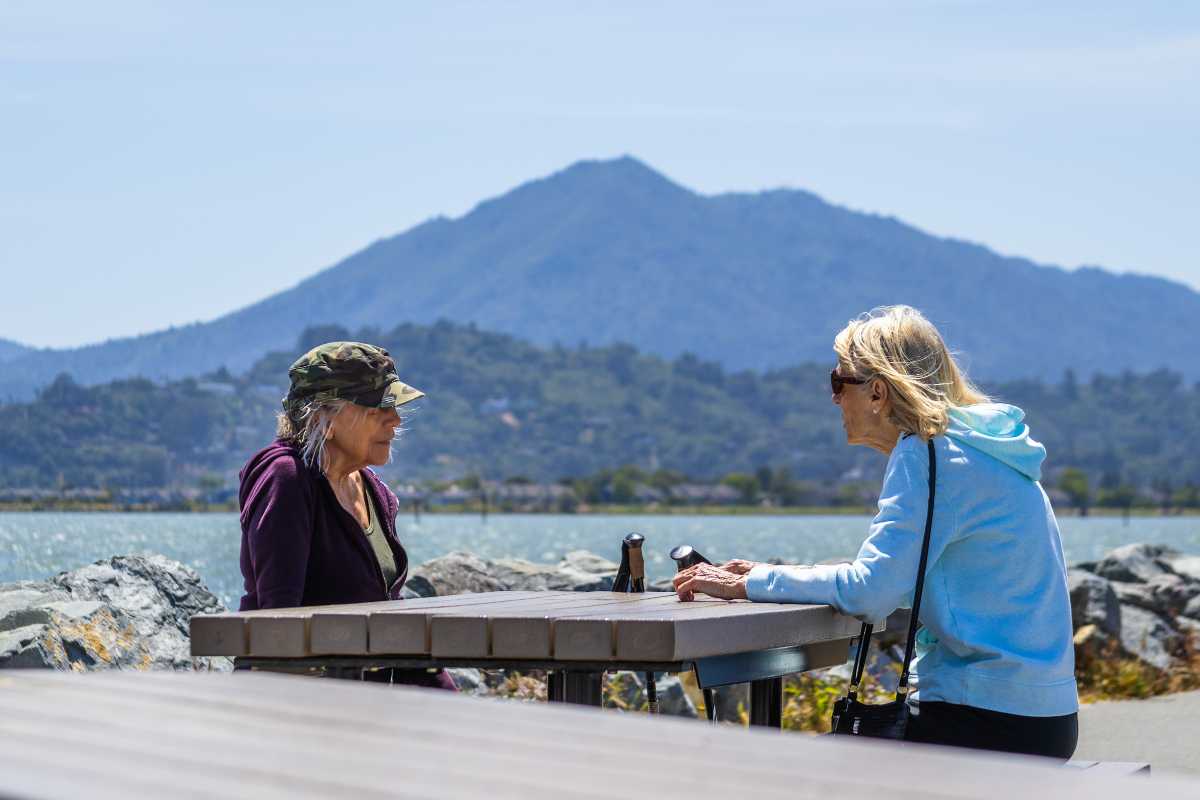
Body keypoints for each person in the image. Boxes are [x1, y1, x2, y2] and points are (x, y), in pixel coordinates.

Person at [674, 306, 1077, 758]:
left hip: (984, 719)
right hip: (1047, 720)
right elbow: (919, 582)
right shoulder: (986, 449)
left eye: (837, 382)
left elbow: (872, 592)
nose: (833, 399)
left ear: (877, 393)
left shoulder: (927, 453)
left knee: (784, 775)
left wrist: (751, 583)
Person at [238, 341, 453, 689]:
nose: (395, 420)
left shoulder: (376, 493)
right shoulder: (287, 479)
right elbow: (277, 622)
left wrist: (449, 704)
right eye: (377, 408)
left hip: (362, 697)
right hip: (303, 701)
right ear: (325, 415)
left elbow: (390, 616)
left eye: (394, 405)